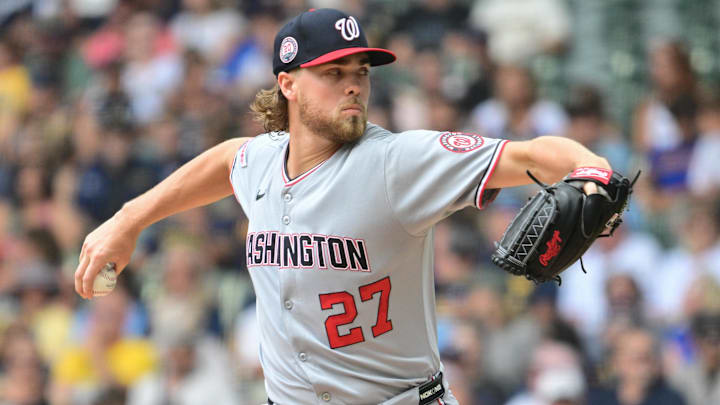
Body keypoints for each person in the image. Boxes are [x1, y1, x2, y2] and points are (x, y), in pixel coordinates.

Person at [74, 8, 612, 404]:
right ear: (288, 84)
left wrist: (591, 169)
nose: (353, 86)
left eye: (361, 72)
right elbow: (227, 160)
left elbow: (527, 154)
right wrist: (129, 220)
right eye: (333, 74)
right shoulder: (261, 161)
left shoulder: (398, 162)